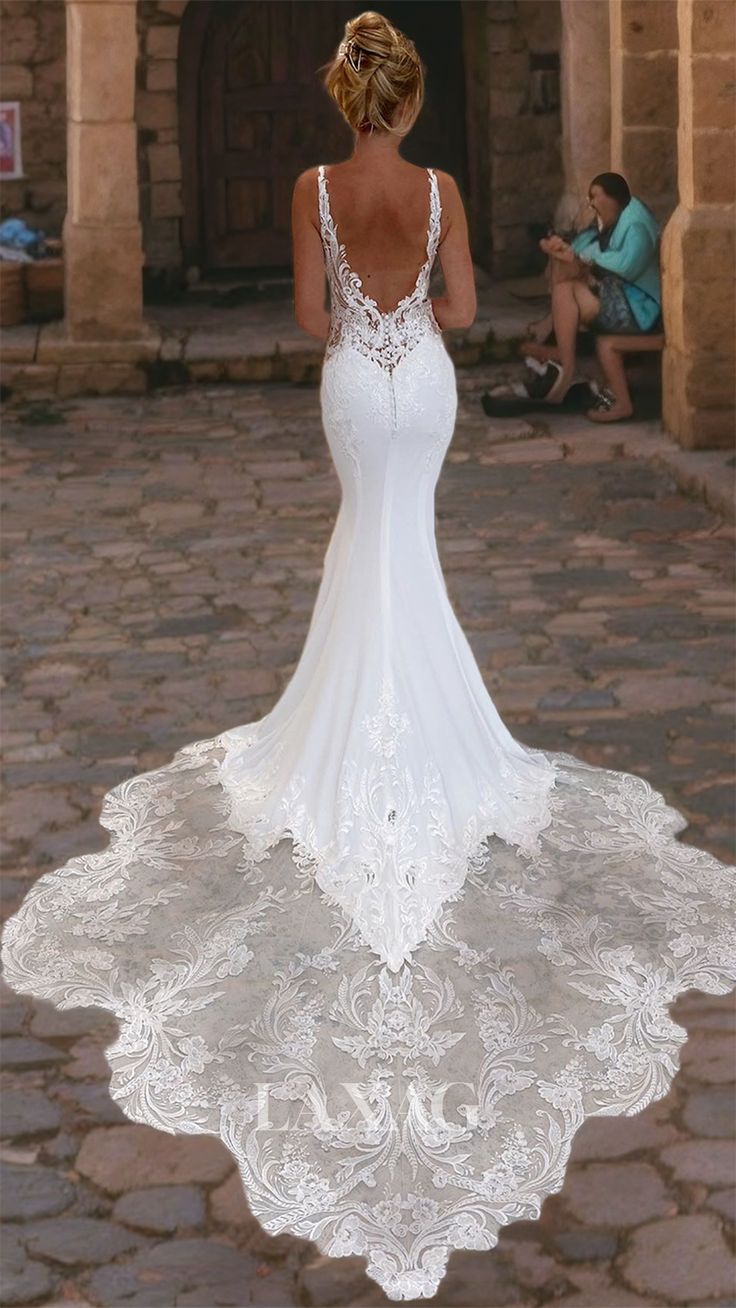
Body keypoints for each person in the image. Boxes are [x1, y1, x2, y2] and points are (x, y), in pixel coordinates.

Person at [1, 13, 733, 1306]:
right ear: (412, 96)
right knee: (411, 555)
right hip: (426, 389)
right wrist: (411, 312)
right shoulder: (443, 188)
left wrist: (357, 310)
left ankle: (339, 743)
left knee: (364, 549)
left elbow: (303, 307)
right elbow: (456, 307)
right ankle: (440, 745)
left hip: (355, 382)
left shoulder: (311, 187)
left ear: (346, 98)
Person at [523, 173, 662, 421]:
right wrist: (566, 253)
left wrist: (582, 260)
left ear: (613, 198)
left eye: (595, 196)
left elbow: (626, 266)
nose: (592, 203)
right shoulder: (612, 224)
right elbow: (587, 252)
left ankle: (566, 366)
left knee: (570, 288)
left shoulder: (636, 226)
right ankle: (565, 360)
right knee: (566, 280)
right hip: (628, 301)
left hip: (643, 311)